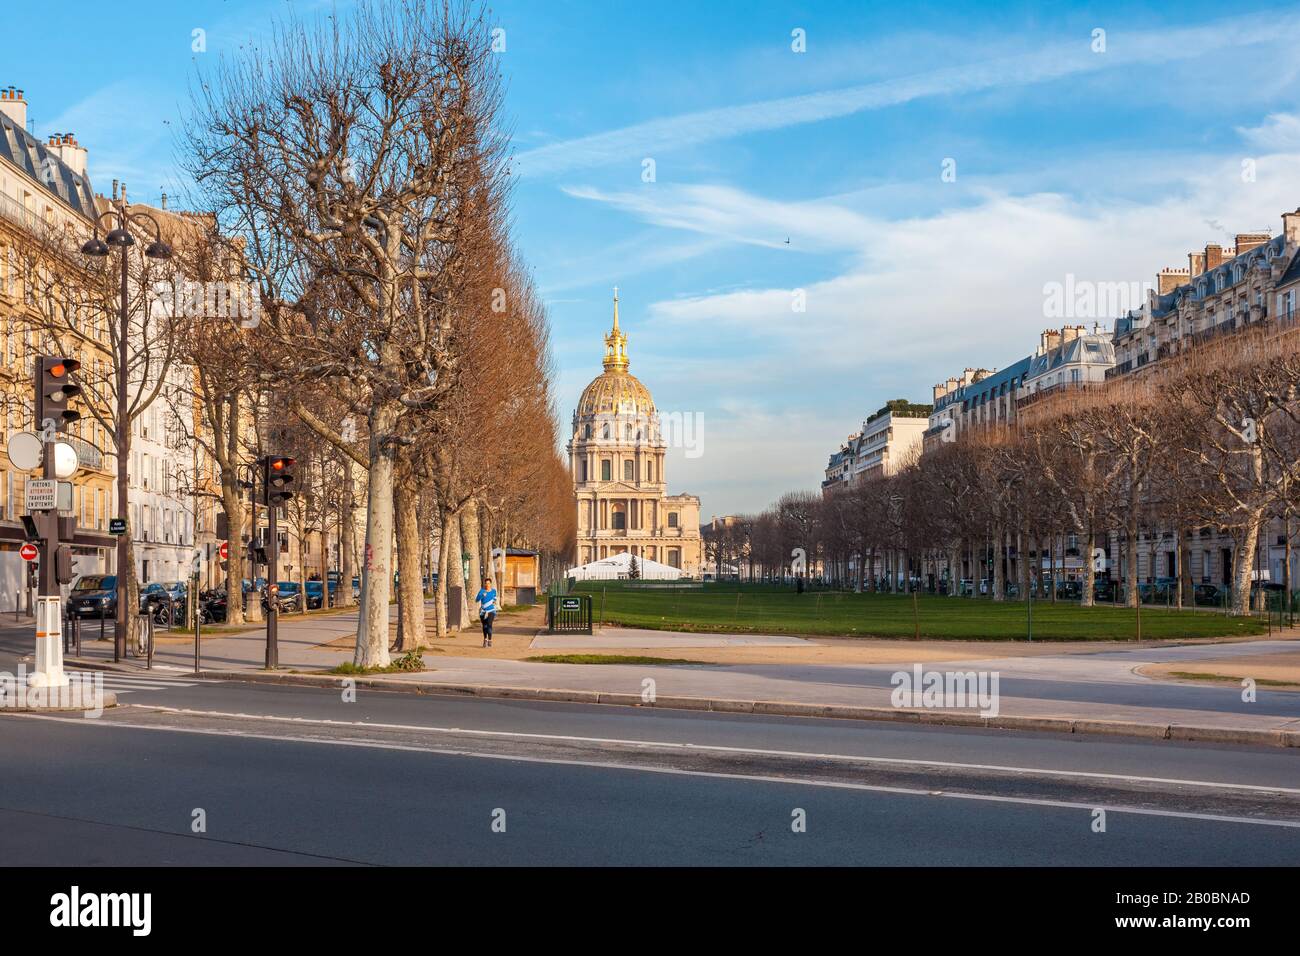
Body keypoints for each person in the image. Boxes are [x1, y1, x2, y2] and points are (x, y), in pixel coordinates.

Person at [474, 577, 498, 648]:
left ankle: (490, 640)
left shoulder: (493, 591)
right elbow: (477, 600)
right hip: (483, 611)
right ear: (484, 584)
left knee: (489, 625)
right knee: (484, 626)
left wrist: (493, 603)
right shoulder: (481, 591)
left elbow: (495, 599)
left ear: (490, 584)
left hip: (491, 611)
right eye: (486, 583)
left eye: (488, 583)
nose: (487, 585)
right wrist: (482, 595)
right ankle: (485, 639)